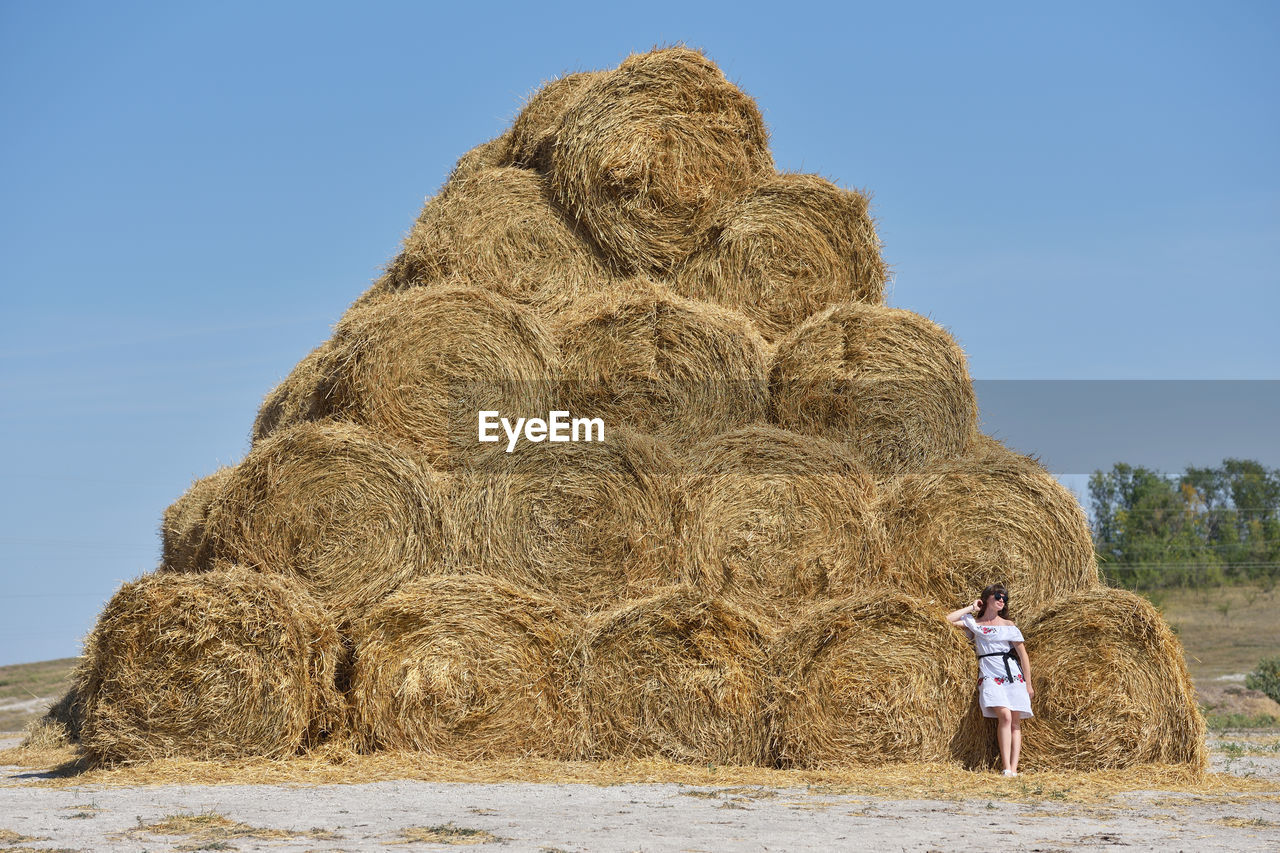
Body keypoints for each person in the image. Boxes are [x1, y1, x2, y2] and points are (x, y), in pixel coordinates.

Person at [946, 583, 1034, 777]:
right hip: (990, 673)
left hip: (1013, 674)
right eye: (997, 596)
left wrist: (1028, 684)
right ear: (986, 599)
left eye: (1005, 598)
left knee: (1015, 722)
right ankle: (1005, 767)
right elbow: (946, 620)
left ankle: (1013, 769)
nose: (1002, 600)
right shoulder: (975, 625)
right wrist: (972, 607)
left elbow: (1023, 656)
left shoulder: (1009, 626)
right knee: (1005, 715)